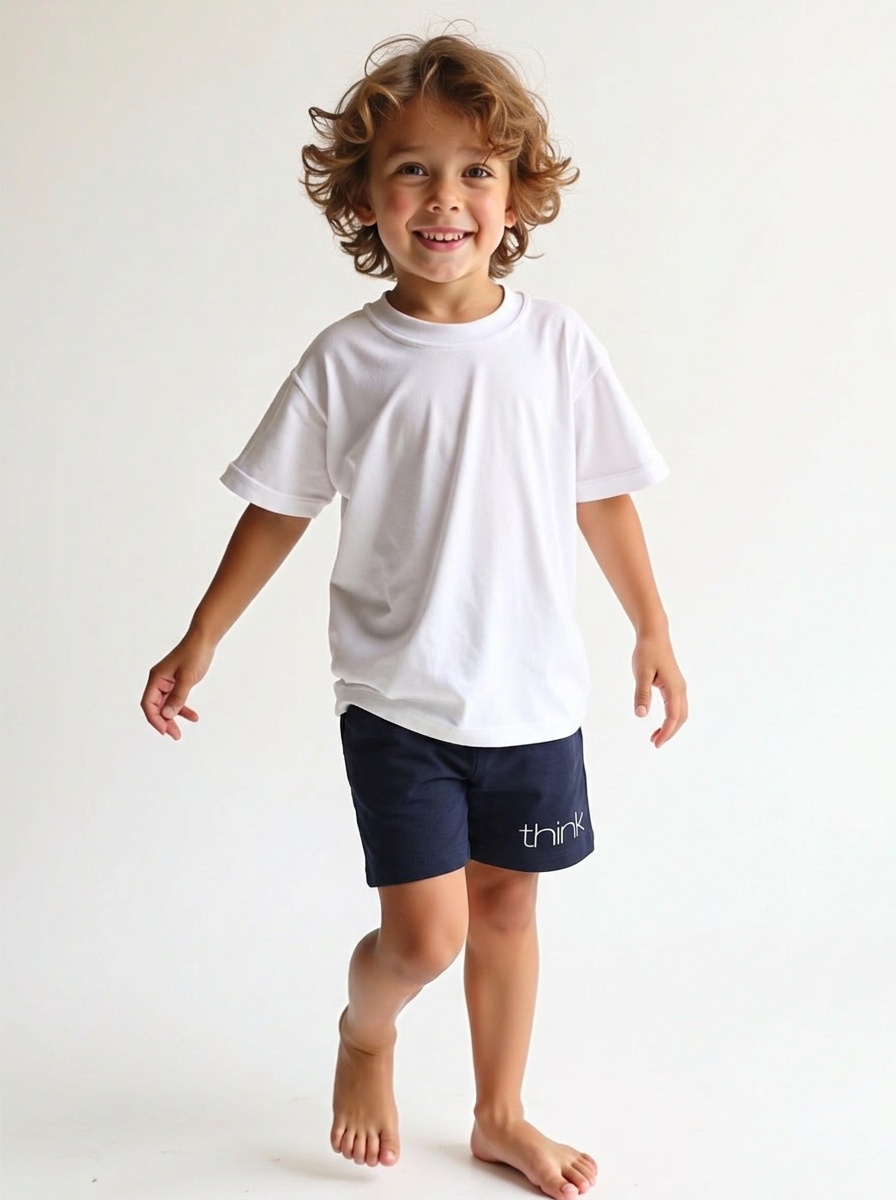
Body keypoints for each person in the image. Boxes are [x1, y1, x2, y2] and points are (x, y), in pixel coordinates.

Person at [140, 29, 688, 1200]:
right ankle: (366, 1031)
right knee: (424, 938)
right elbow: (278, 510)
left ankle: (498, 1115)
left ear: (514, 194)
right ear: (362, 199)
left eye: (473, 171)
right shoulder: (347, 361)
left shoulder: (555, 345)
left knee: (505, 911)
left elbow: (602, 494)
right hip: (398, 698)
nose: (443, 199)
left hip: (530, 694)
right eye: (410, 170)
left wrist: (650, 626)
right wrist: (202, 635)